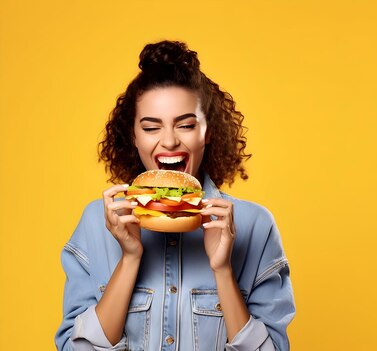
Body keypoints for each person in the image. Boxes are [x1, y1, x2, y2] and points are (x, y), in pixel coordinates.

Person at [55, 40, 295, 351]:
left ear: (206, 131)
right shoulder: (95, 222)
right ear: (134, 135)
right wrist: (129, 258)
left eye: (185, 125)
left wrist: (222, 270)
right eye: (151, 128)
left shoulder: (254, 226)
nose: (169, 141)